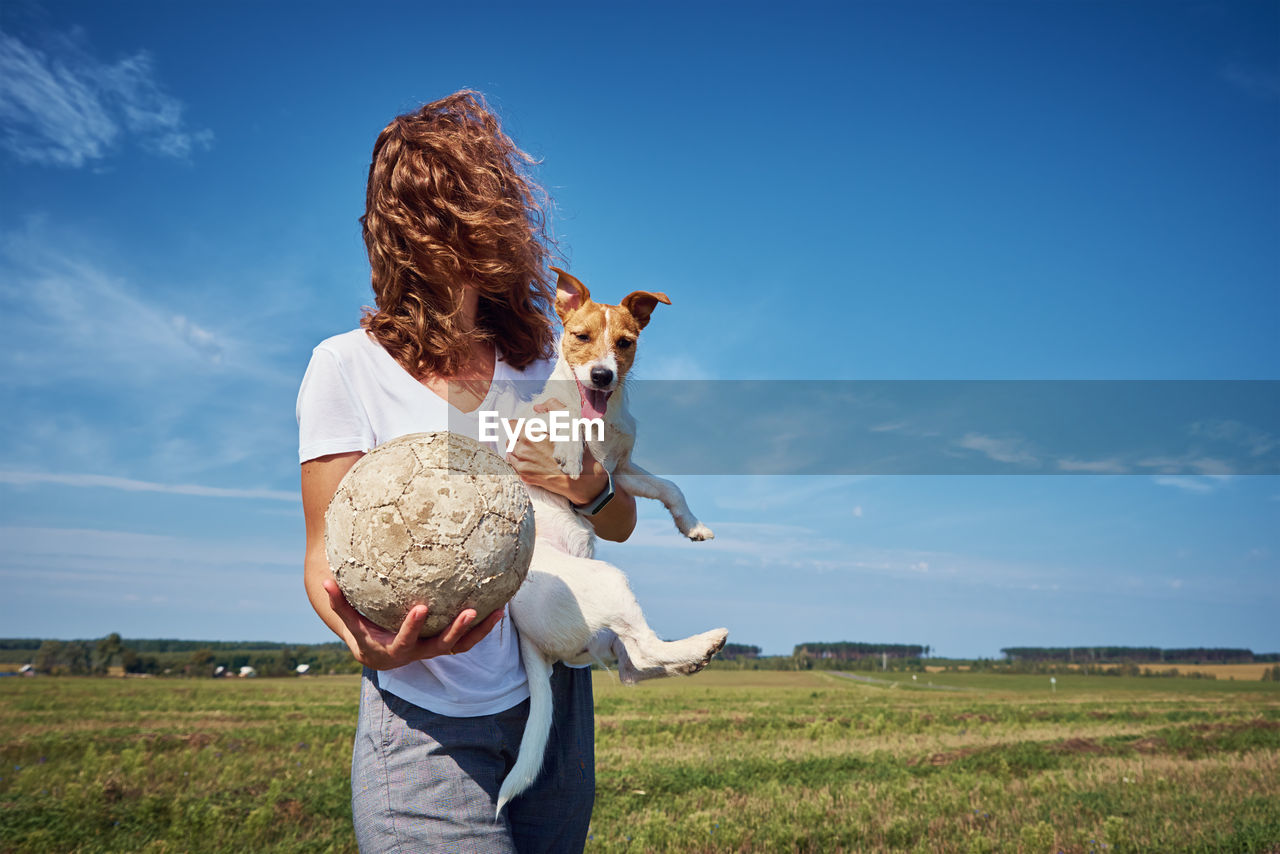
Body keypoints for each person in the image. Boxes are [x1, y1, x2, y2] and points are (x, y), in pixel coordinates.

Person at [298, 90, 636, 853]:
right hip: (426, 724)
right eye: (449, 215)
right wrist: (369, 645)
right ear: (402, 232)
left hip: (554, 706)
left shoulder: (544, 363)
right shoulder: (344, 369)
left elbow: (618, 521)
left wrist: (589, 488)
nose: (477, 236)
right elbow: (324, 555)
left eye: (490, 211)